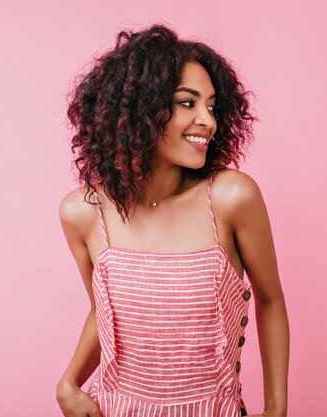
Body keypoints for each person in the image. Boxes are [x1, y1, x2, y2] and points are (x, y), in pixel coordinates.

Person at [56, 23, 289, 417]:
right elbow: (103, 312)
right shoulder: (83, 212)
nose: (208, 122)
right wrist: (68, 384)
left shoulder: (231, 198)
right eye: (187, 103)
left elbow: (270, 300)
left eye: (212, 107)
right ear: (138, 109)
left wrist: (276, 409)